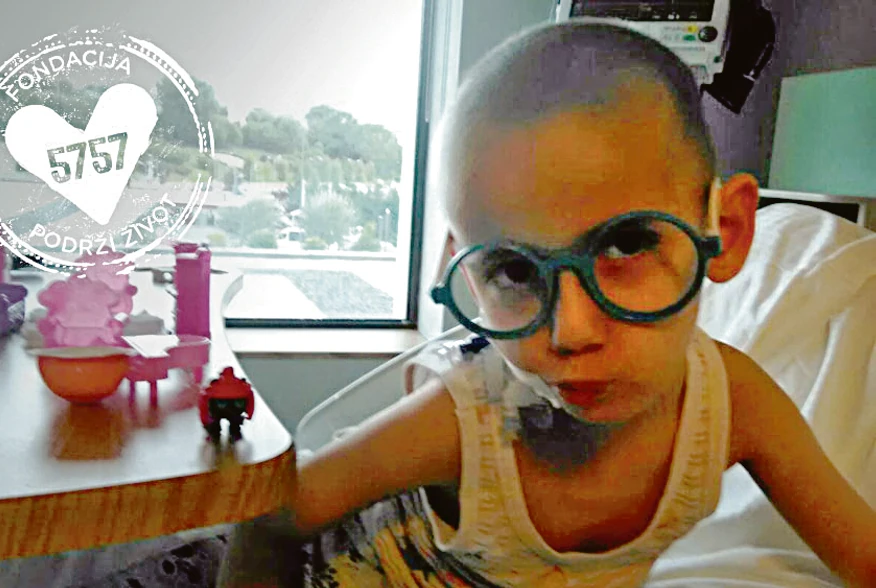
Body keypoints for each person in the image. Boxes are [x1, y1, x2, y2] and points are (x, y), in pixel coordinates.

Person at [219, 20, 876, 588]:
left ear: (724, 232)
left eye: (627, 244)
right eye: (513, 270)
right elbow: (269, 523)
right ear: (465, 271)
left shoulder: (736, 407)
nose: (570, 332)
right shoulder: (461, 423)